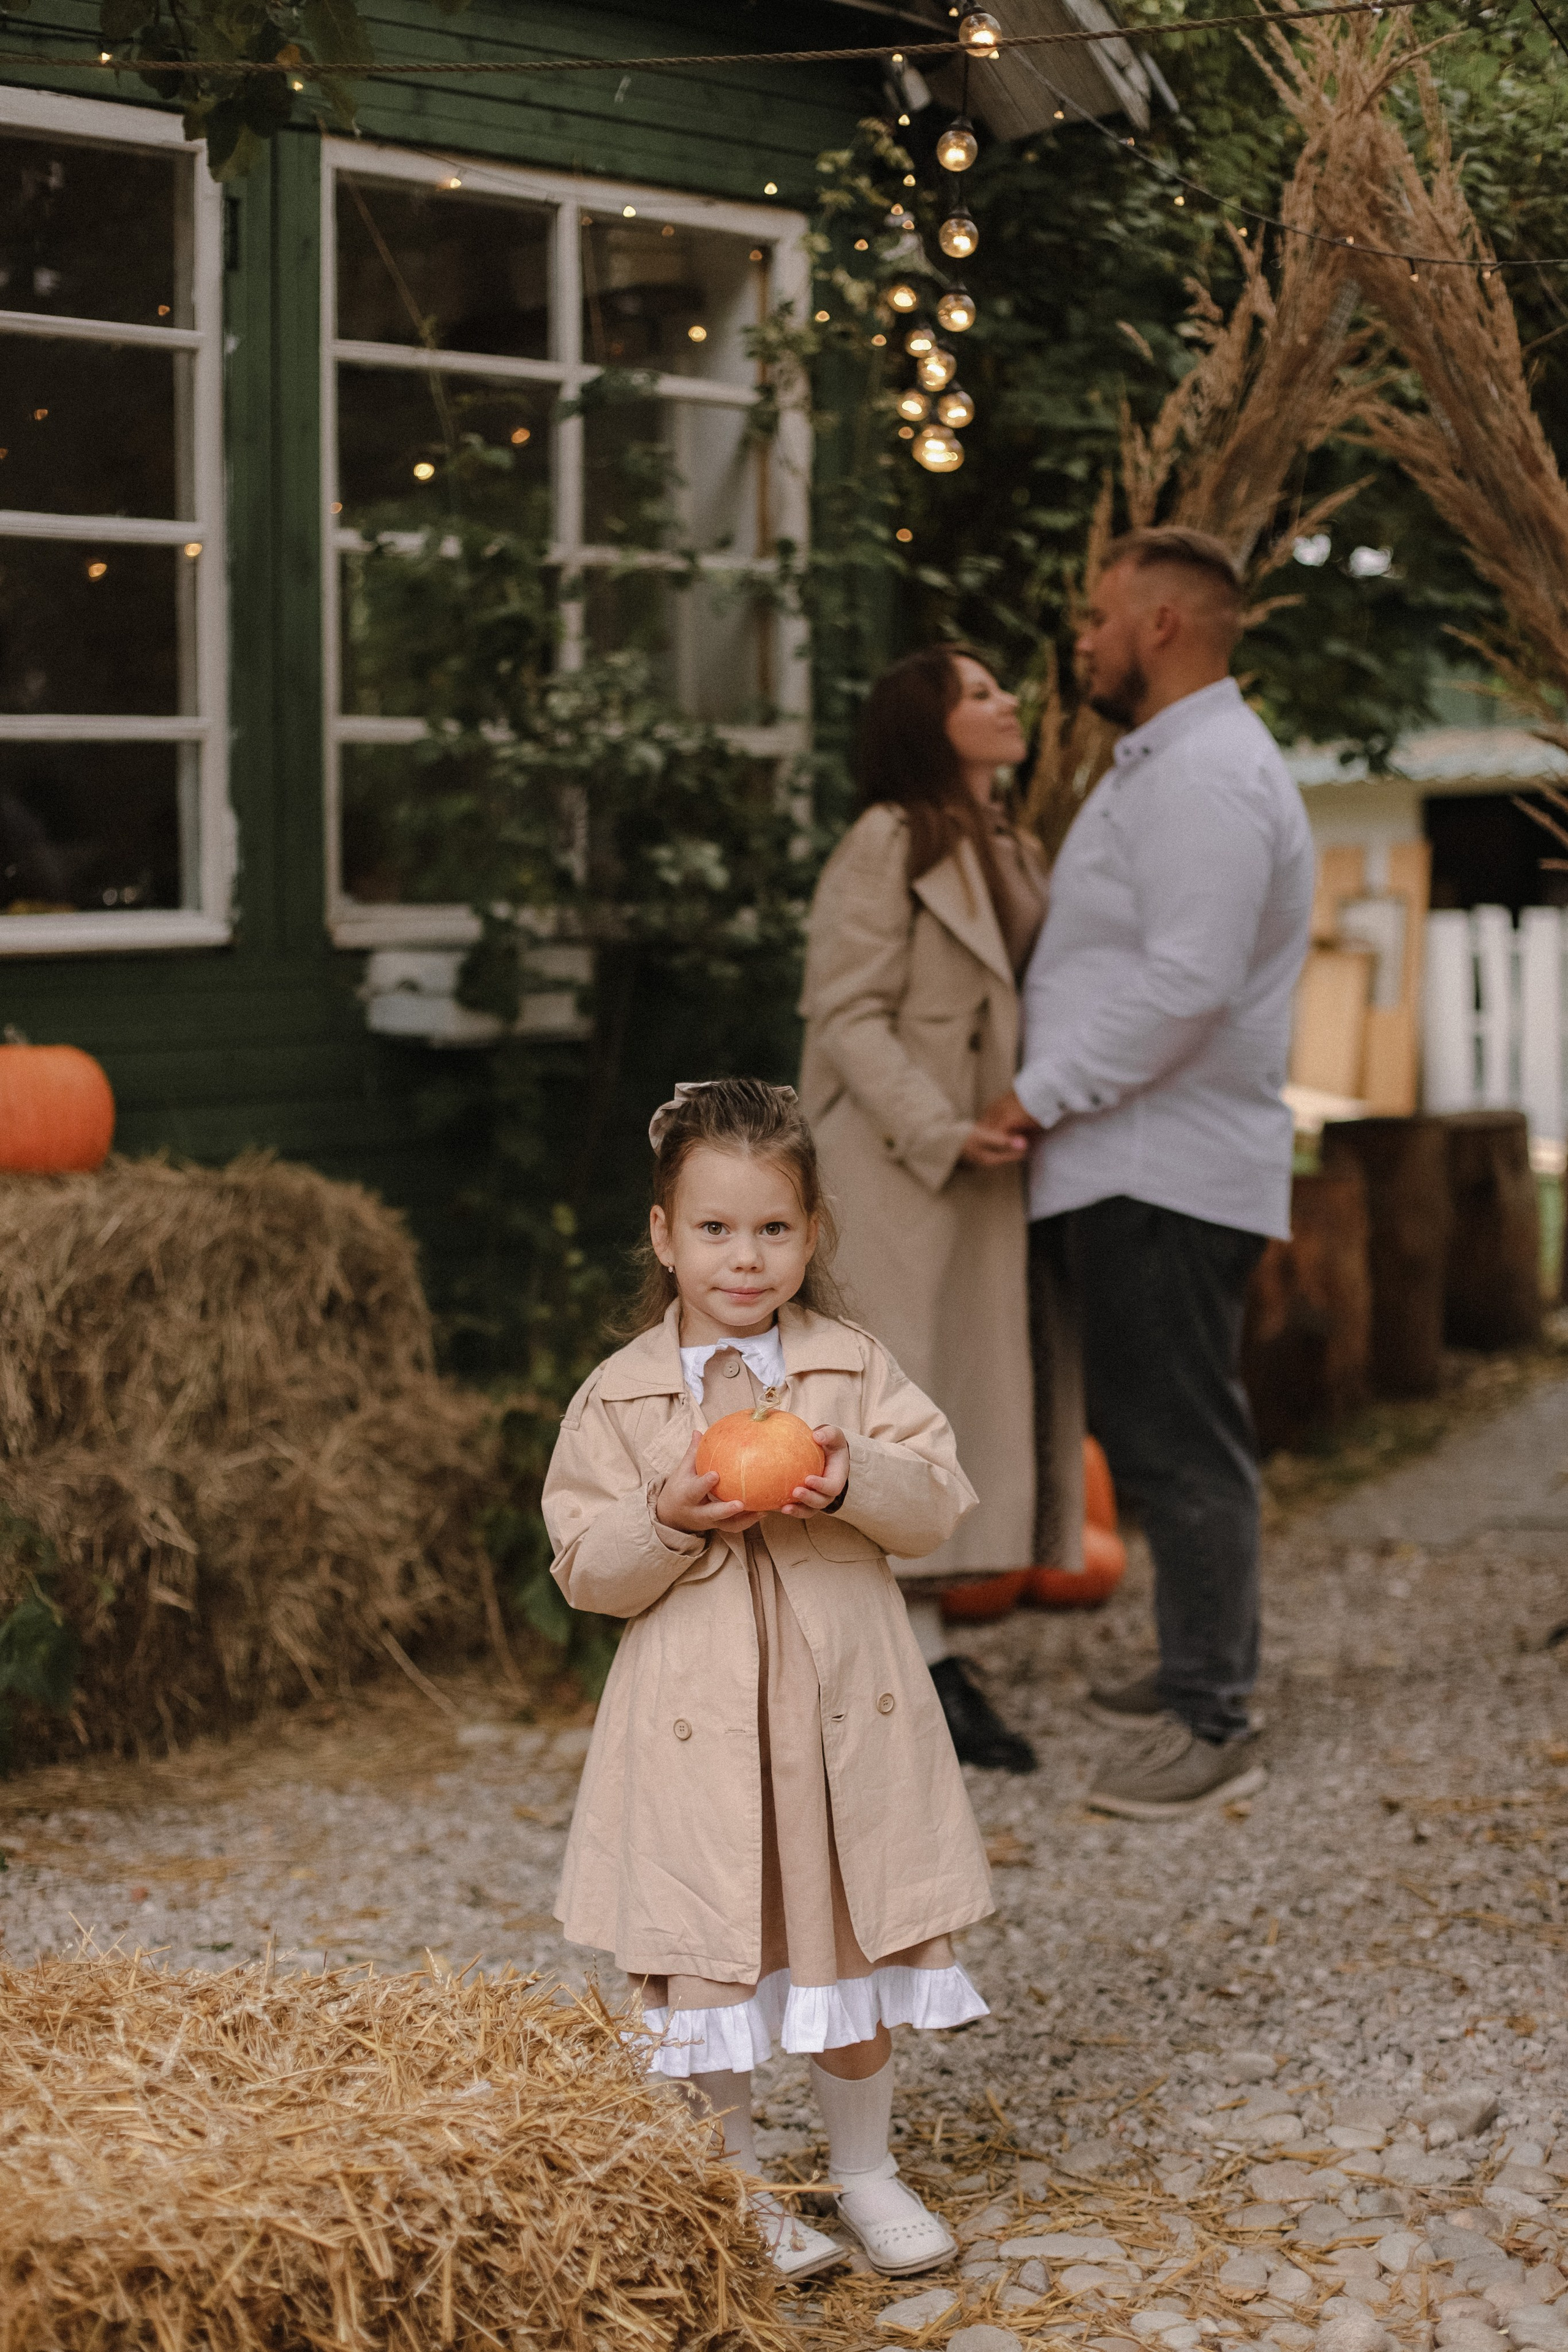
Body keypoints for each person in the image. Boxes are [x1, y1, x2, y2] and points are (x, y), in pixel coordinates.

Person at [542, 1077, 993, 2282]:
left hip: (831, 1728)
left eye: (773, 1230)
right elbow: (583, 1563)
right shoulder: (623, 1395)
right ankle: (736, 2182)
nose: (745, 1259)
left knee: (843, 1943)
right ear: (663, 1237)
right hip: (699, 1738)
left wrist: (851, 1482)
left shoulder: (849, 1371)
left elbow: (938, 1498)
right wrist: (664, 1516)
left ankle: (862, 2170)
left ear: (811, 1234)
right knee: (712, 1957)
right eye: (715, 1230)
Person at [984, 527, 1314, 1820]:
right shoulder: (1168, 767)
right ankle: (1193, 1663)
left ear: (1162, 626)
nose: (1081, 638)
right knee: (1159, 1430)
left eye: (1097, 616)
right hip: (1129, 1159)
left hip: (1159, 1162)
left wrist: (1033, 1096)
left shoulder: (1205, 776)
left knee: (1179, 1445)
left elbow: (1187, 983)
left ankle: (1208, 1714)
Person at [799, 646, 1084, 1776]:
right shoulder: (886, 842)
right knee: (897, 1405)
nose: (1007, 701)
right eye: (979, 693)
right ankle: (920, 1671)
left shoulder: (1012, 841)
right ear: (928, 724)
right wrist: (938, 1126)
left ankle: (924, 1660)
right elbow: (845, 1014)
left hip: (992, 1162)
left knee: (963, 1402)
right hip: (901, 1170)